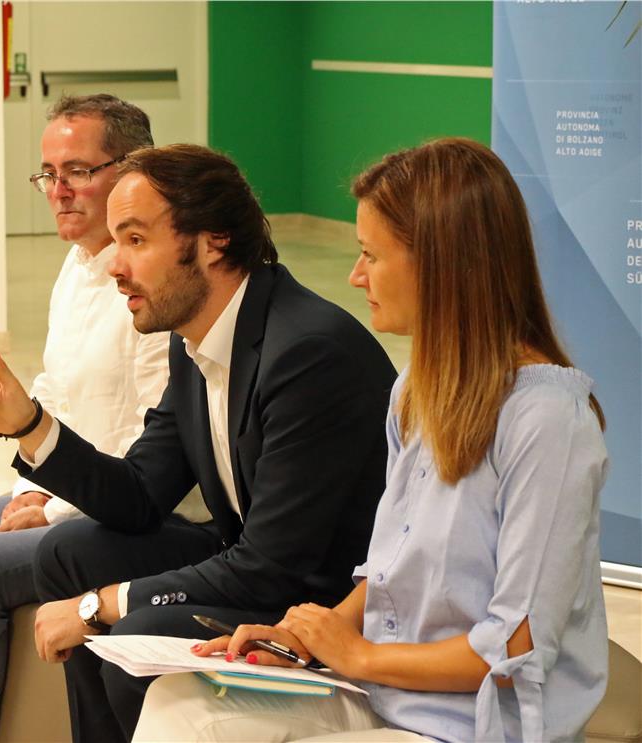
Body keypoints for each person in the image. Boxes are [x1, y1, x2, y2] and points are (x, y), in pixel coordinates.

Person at [134, 137, 610, 742]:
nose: (355, 275)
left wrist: (358, 656)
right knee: (179, 702)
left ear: (441, 264)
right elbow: (387, 572)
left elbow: (516, 646)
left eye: (371, 255)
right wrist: (305, 638)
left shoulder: (547, 420)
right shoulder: (416, 389)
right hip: (387, 695)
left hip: (471, 727)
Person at [0, 143, 399, 742]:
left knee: (134, 628)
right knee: (67, 551)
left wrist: (98, 606)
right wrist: (29, 423)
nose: (114, 265)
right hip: (258, 565)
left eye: (136, 240)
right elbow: (141, 494)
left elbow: (271, 569)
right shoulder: (194, 335)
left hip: (317, 604)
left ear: (213, 241)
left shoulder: (307, 353)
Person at [0, 94, 209, 743]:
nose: (58, 190)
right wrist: (27, 479)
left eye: (77, 171)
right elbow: (58, 393)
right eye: (48, 174)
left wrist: (51, 509)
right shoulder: (77, 268)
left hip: (137, 515)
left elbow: (152, 457)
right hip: (66, 494)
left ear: (133, 170)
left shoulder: (159, 287)